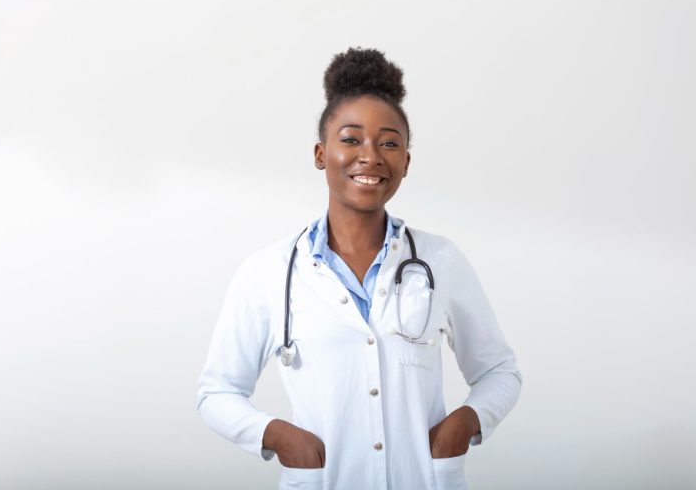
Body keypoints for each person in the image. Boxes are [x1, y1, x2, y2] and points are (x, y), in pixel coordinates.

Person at [196, 47, 522, 490]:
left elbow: (500, 371)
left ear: (406, 161)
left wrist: (465, 423)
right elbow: (217, 392)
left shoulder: (440, 260)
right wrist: (277, 436)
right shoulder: (269, 271)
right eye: (350, 139)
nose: (370, 156)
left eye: (389, 143)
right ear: (320, 153)